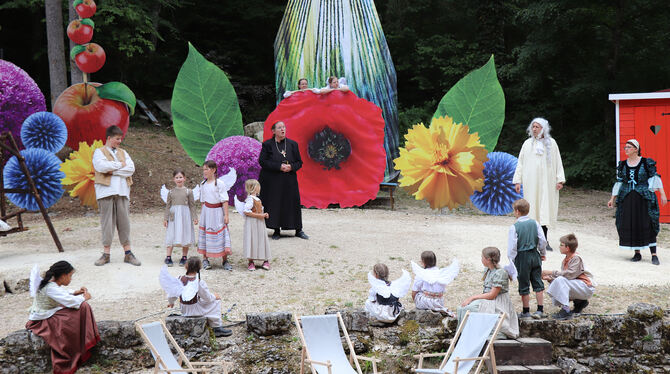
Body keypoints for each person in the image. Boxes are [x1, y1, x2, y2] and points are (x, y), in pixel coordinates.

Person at [27, 261, 100, 373]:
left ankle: (85, 336)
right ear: (63, 276)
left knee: (82, 308)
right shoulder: (51, 288)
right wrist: (84, 297)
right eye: (70, 276)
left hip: (48, 313)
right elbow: (70, 302)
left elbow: (63, 293)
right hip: (44, 319)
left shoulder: (51, 284)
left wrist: (76, 292)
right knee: (83, 307)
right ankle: (82, 340)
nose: (70, 279)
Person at [607, 139, 667, 265]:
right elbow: (619, 182)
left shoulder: (646, 162)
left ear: (636, 149)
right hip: (627, 198)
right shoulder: (623, 164)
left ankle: (654, 254)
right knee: (632, 223)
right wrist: (612, 198)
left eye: (628, 147)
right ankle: (637, 253)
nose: (626, 149)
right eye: (625, 147)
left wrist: (662, 194)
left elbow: (655, 177)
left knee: (648, 222)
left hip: (644, 198)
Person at [512, 118, 565, 250]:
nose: (534, 129)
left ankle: (544, 241)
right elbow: (521, 163)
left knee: (545, 209)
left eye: (537, 127)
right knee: (532, 208)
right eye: (533, 126)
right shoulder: (527, 144)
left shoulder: (551, 144)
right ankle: (530, 240)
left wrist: (560, 179)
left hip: (547, 183)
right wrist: (517, 180)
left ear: (543, 129)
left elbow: (558, 161)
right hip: (531, 182)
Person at [92, 125, 141, 266]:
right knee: (107, 223)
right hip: (106, 192)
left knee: (124, 223)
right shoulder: (99, 152)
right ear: (109, 138)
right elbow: (101, 167)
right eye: (117, 138)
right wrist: (120, 165)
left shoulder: (123, 152)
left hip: (123, 192)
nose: (120, 141)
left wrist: (112, 170)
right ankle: (106, 254)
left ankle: (128, 253)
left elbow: (130, 169)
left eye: (121, 138)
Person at [258, 121, 308, 240]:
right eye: (279, 128)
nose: (282, 129)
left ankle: (298, 229)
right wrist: (279, 166)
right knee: (275, 204)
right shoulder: (267, 145)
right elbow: (262, 161)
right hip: (274, 180)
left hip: (289, 180)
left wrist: (291, 167)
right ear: (273, 131)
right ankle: (276, 230)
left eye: (284, 127)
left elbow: (299, 162)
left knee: (292, 203)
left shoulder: (292, 144)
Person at [458, 247, 519, 338]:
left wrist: (472, 298)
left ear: (488, 259)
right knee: (461, 308)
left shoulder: (500, 273)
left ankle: (471, 336)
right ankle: (463, 337)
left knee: (468, 309)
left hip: (497, 302)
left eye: (482, 257)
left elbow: (492, 295)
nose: (481, 259)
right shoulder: (488, 270)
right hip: (487, 299)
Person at [163, 257, 232, 337]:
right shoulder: (199, 282)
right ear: (199, 268)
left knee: (203, 300)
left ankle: (212, 324)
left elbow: (172, 294)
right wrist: (214, 296)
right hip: (194, 311)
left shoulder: (179, 279)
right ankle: (216, 327)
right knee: (216, 302)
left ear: (186, 266)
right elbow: (208, 298)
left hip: (184, 309)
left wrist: (171, 303)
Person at [508, 198, 547, 319]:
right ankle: (540, 309)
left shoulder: (514, 227)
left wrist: (511, 260)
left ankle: (526, 311)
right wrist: (542, 252)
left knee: (524, 283)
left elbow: (512, 247)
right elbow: (543, 240)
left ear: (517, 211)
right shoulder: (535, 223)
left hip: (522, 256)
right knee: (537, 282)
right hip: (535, 254)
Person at [543, 234, 595, 320]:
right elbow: (566, 279)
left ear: (567, 248)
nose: (559, 247)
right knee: (558, 282)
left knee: (560, 280)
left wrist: (552, 272)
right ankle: (580, 302)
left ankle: (566, 310)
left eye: (561, 245)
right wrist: (550, 279)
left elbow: (570, 275)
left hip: (586, 287)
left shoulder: (576, 258)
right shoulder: (566, 259)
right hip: (578, 286)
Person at [198, 160, 232, 270]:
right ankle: (205, 259)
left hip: (217, 212)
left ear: (213, 170)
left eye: (206, 169)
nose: (204, 172)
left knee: (221, 234)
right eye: (203, 169)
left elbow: (225, 200)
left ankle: (225, 260)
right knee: (206, 234)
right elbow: (203, 201)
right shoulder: (202, 184)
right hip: (207, 212)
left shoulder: (220, 184)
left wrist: (226, 215)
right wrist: (203, 216)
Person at [163, 169, 197, 267]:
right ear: (174, 179)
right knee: (171, 234)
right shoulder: (171, 192)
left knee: (185, 233)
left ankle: (184, 257)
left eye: (181, 177)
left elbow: (192, 205)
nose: (179, 179)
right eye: (177, 177)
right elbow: (168, 206)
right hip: (174, 216)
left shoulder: (188, 192)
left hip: (185, 216)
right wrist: (165, 218)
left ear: (184, 178)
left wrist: (194, 217)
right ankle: (168, 257)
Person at [411, 251, 459, 316]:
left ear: (423, 262)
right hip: (439, 302)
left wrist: (416, 302)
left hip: (426, 303)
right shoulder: (442, 273)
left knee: (418, 292)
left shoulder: (422, 273)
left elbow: (414, 292)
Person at [241, 179, 272, 271]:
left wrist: (263, 214)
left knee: (261, 238)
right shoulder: (250, 199)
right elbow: (246, 211)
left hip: (259, 223)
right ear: (254, 188)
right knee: (252, 239)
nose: (259, 188)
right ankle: (251, 261)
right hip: (252, 223)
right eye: (258, 186)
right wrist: (260, 215)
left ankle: (265, 259)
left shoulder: (257, 199)